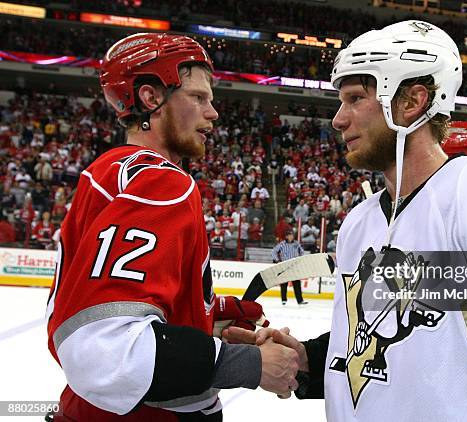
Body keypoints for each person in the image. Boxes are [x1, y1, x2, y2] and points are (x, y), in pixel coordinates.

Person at [225, 20, 467, 421]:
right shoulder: (361, 222)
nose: (338, 119)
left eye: (356, 98)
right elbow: (410, 345)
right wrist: (308, 358)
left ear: (411, 102)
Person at [45, 33, 299, 421]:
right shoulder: (163, 184)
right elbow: (106, 347)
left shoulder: (106, 173)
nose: (213, 112)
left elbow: (119, 302)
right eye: (198, 97)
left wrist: (213, 318)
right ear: (151, 98)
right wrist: (250, 364)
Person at [271, 230, 307, 305]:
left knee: (297, 283)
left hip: (294, 266)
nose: (291, 237)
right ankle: (284, 300)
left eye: (292, 235)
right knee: (284, 283)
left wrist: (300, 259)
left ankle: (300, 300)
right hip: (285, 265)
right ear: (286, 236)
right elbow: (274, 251)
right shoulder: (282, 244)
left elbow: (302, 252)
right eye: (289, 235)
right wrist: (277, 260)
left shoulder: (296, 244)